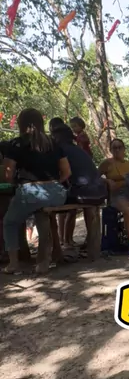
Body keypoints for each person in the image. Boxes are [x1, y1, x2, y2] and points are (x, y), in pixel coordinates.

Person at [0, 108, 71, 274]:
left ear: (21, 123)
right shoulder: (53, 143)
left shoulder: (16, 144)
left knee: (9, 222)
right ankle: (43, 260)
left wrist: (16, 183)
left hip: (31, 191)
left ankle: (13, 263)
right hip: (57, 193)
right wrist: (53, 184)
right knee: (41, 213)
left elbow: (8, 174)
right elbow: (67, 172)